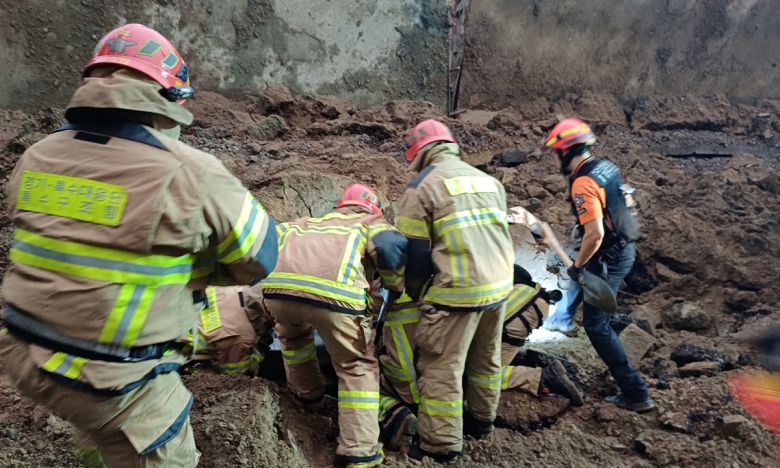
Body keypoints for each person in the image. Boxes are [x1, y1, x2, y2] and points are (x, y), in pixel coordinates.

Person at [0, 23, 279, 467]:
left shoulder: (36, 156)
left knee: (101, 433)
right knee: (166, 453)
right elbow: (259, 258)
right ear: (170, 99)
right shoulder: (191, 172)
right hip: (108, 374)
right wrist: (199, 265)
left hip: (21, 351)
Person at [261, 183, 407, 468]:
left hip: (278, 293)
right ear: (372, 208)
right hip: (337, 300)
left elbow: (270, 238)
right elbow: (391, 248)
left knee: (295, 344)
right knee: (356, 365)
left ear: (341, 205)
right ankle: (359, 451)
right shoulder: (369, 223)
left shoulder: (306, 223)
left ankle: (308, 399)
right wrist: (396, 284)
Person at [397, 119, 515, 462]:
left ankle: (441, 445)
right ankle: (482, 421)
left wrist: (417, 292)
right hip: (498, 287)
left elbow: (415, 252)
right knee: (486, 358)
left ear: (419, 152)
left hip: (457, 293)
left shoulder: (423, 186)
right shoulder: (488, 181)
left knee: (440, 368)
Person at [377, 264, 582, 451]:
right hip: (522, 302)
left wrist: (415, 402)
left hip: (513, 310)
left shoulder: (399, 313)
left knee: (472, 374)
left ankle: (540, 378)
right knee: (472, 367)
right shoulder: (422, 288)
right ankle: (531, 368)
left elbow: (404, 367)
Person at [543, 117, 654, 412]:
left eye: (558, 153)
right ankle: (560, 319)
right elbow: (621, 204)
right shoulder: (607, 167)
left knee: (596, 324)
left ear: (568, 151)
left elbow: (596, 234)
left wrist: (578, 264)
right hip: (621, 248)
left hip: (607, 257)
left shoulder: (583, 182)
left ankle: (636, 392)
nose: (557, 159)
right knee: (581, 277)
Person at [183, 285, 274, 376]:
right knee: (217, 379)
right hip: (179, 349)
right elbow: (236, 373)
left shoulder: (239, 287)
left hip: (176, 314)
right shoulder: (241, 337)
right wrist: (261, 349)